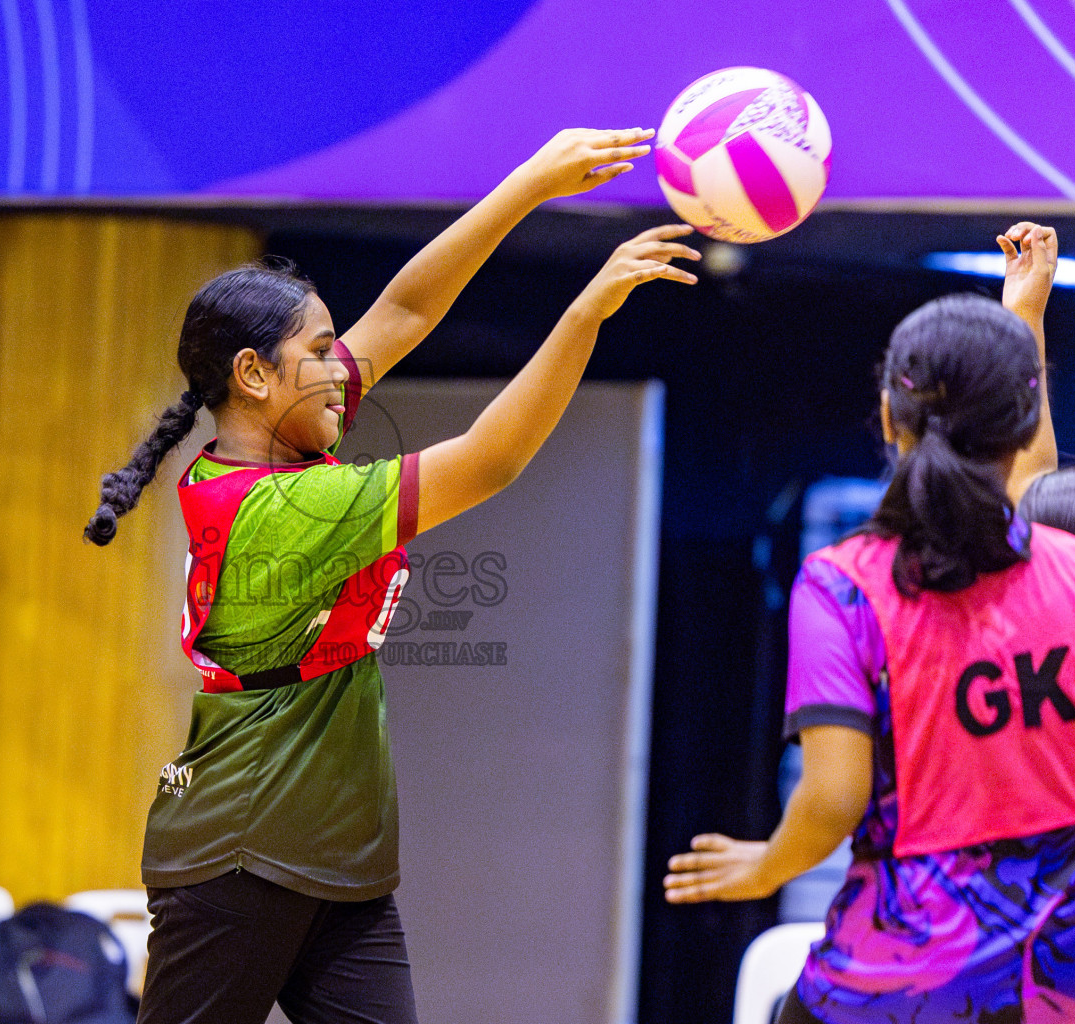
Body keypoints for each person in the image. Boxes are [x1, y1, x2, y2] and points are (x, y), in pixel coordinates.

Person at [86, 128, 699, 1024]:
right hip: (241, 853)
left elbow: (406, 311)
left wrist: (528, 182)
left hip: (339, 857)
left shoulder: (284, 442)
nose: (342, 369)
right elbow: (489, 460)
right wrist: (585, 316)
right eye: (321, 351)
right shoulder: (276, 507)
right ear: (253, 375)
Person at [663, 274, 1075, 1021]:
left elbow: (833, 799)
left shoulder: (843, 587)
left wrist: (768, 866)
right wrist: (1022, 322)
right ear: (1026, 417)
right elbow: (1029, 494)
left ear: (886, 415)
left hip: (907, 975)